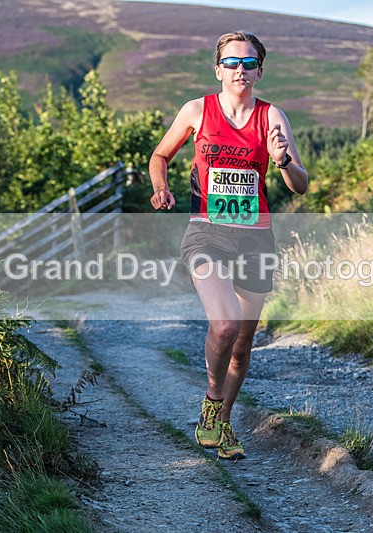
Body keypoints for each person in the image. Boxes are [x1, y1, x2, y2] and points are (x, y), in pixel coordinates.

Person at [148, 30, 308, 460]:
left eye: (249, 63)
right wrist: (161, 188)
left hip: (256, 237)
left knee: (242, 346)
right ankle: (212, 402)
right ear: (218, 69)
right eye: (232, 62)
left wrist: (282, 160)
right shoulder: (197, 110)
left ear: (259, 70)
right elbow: (160, 155)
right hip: (207, 232)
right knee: (224, 324)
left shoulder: (272, 116)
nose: (241, 69)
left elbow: (300, 186)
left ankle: (222, 420)